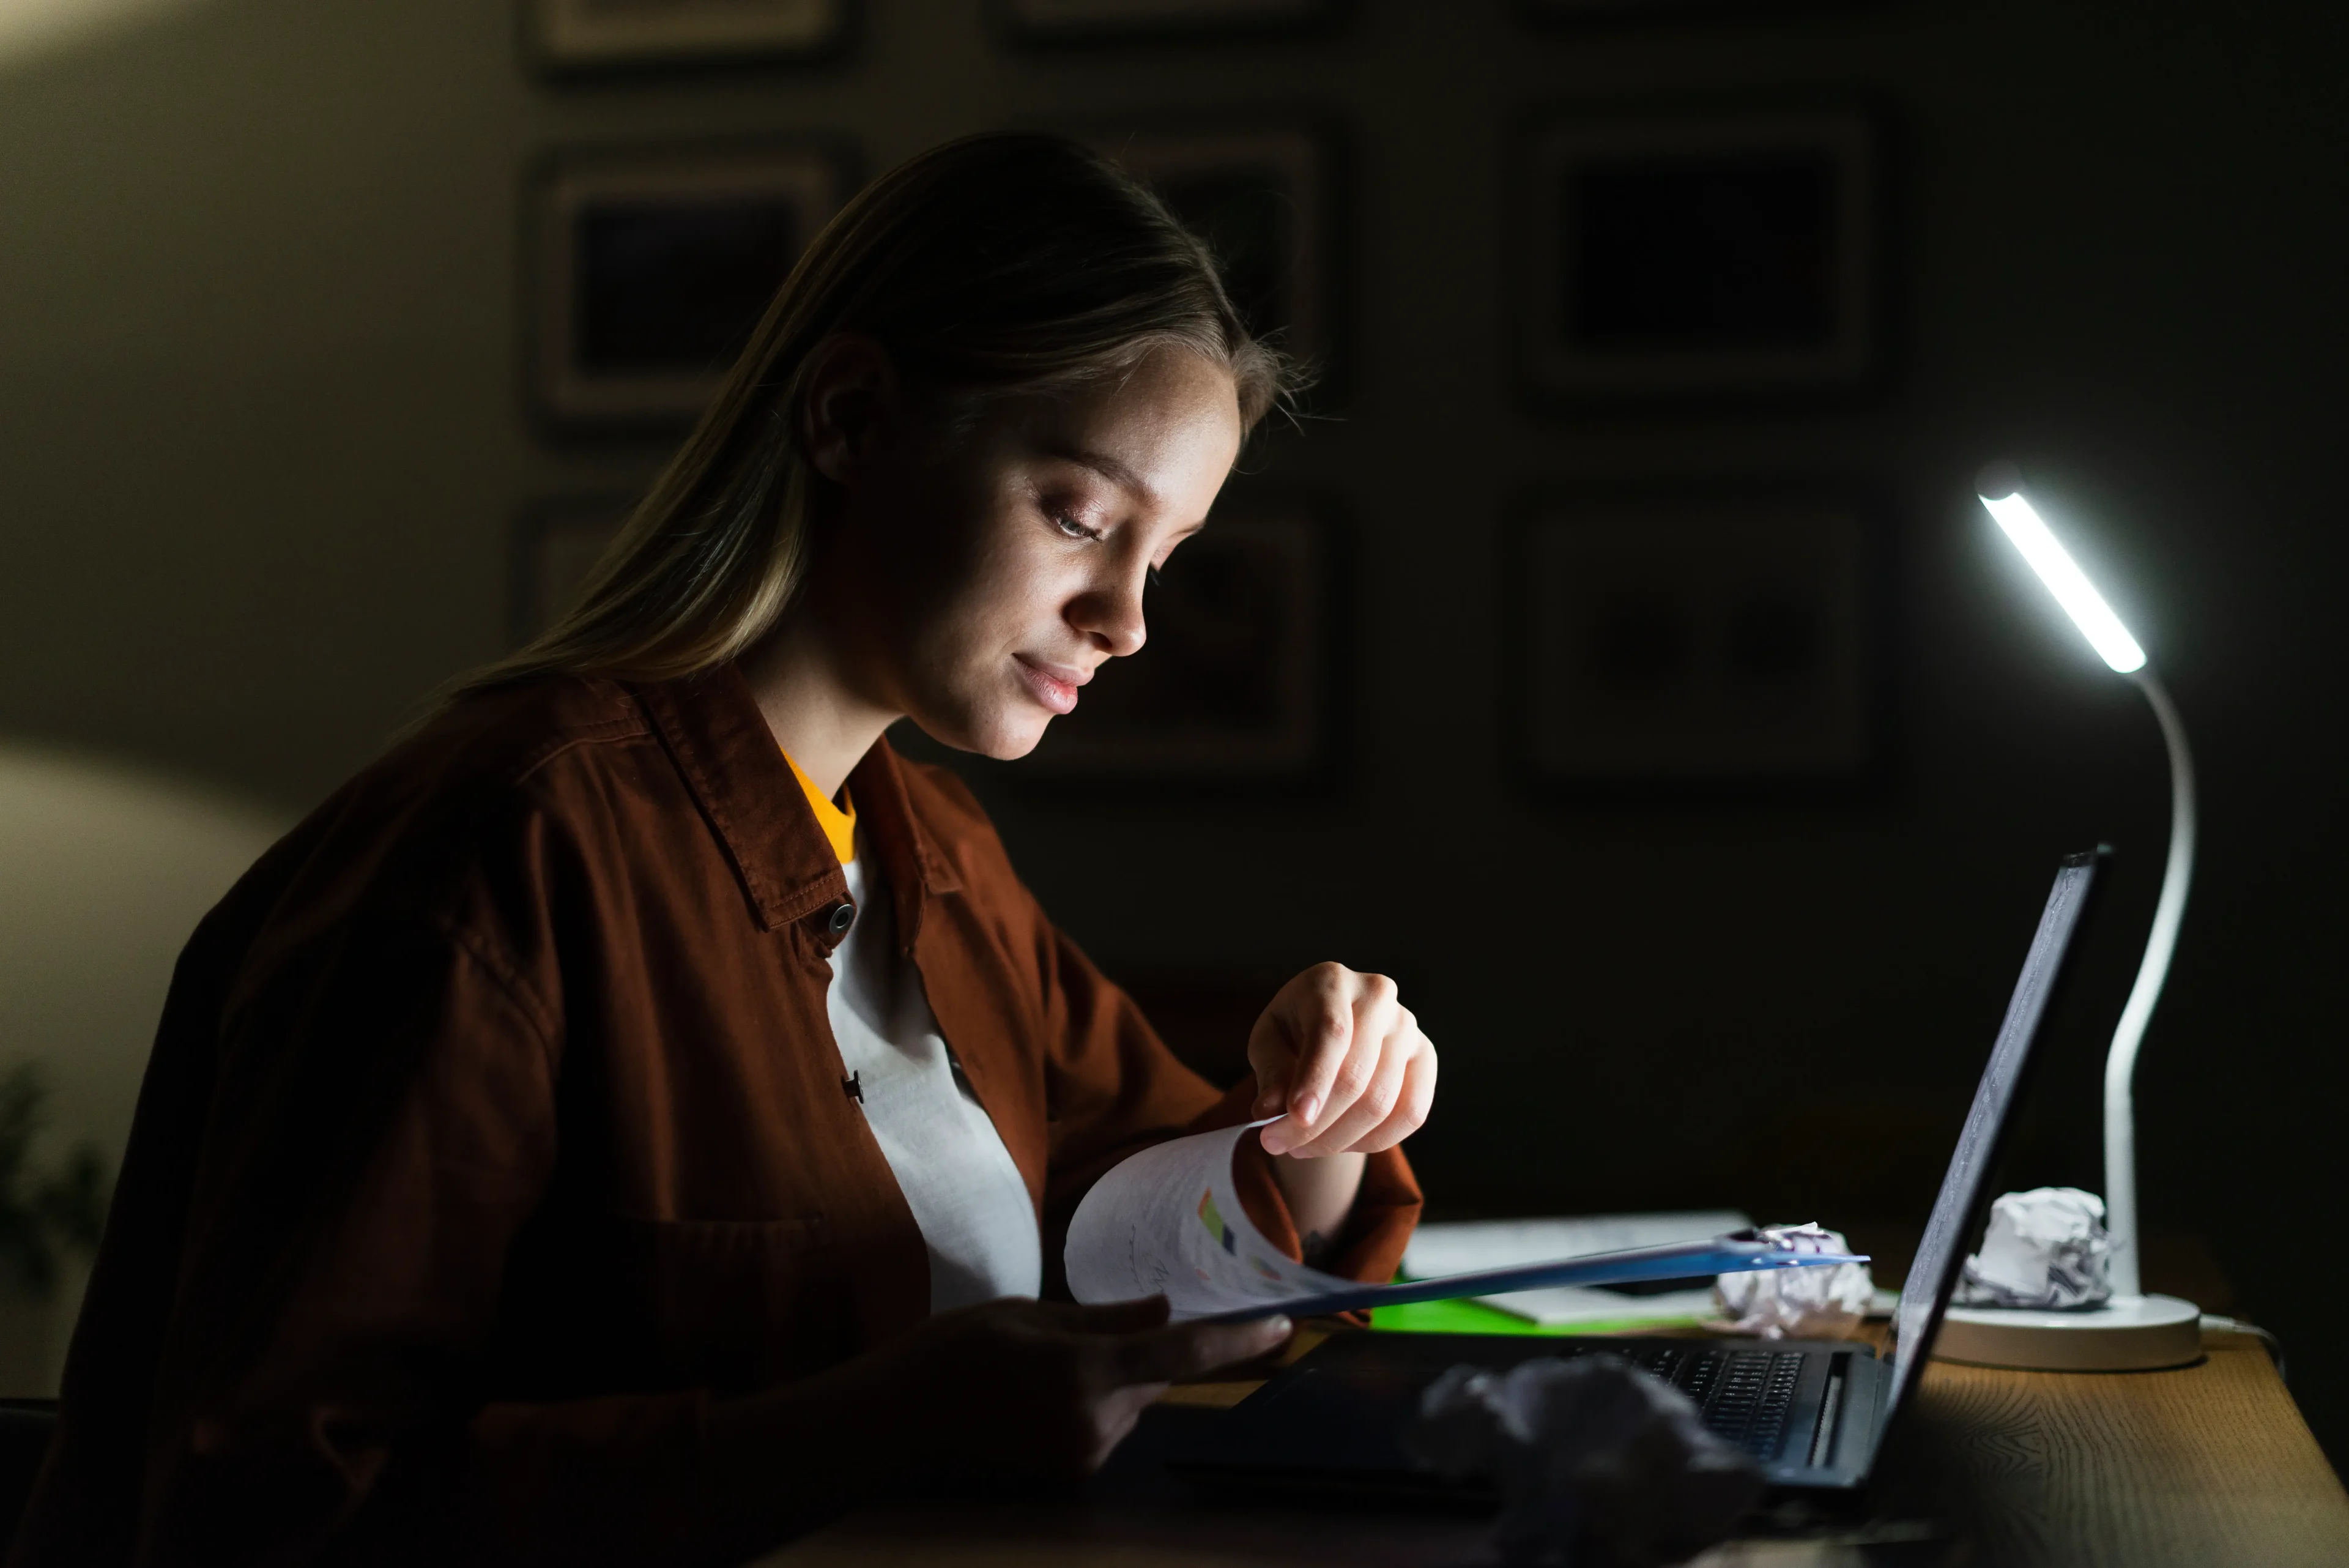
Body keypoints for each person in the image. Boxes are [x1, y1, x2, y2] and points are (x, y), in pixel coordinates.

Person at [10, 134, 1436, 1568]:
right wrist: (868, 1427)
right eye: (1078, 513)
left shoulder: (934, 853)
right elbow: (264, 1506)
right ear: (853, 416)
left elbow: (1167, 1246)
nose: (1125, 617)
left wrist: (1323, 1112)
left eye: (1166, 554)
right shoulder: (495, 856)